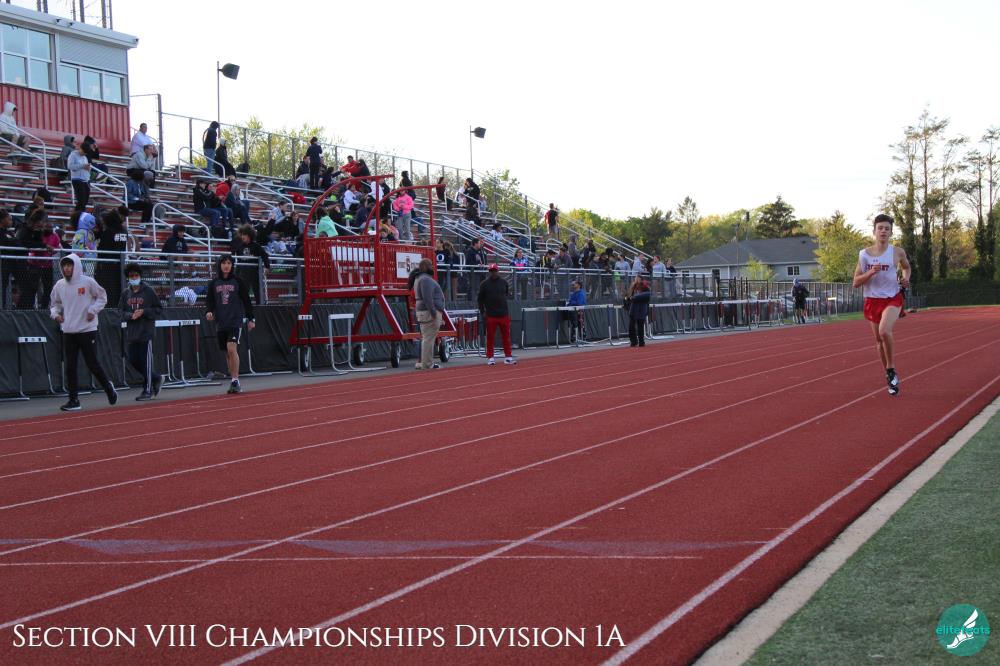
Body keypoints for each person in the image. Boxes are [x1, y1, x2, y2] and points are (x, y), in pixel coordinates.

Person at [852, 213, 911, 396]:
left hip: (892, 298)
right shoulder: (864, 255)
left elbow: (906, 267)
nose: (883, 231)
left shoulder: (897, 252)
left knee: (884, 331)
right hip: (872, 300)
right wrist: (870, 273)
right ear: (874, 231)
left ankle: (891, 368)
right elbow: (855, 282)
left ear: (891, 232)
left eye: (887, 228)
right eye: (880, 228)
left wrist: (906, 279)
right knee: (879, 340)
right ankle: (889, 374)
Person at [50, 254, 118, 411]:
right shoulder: (59, 285)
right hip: (68, 330)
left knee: (92, 363)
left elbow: (102, 297)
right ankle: (73, 400)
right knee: (70, 366)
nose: (67, 268)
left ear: (76, 266)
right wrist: (56, 315)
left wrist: (93, 310)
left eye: (70, 265)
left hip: (87, 329)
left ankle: (108, 388)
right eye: (64, 265)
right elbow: (54, 304)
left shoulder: (88, 282)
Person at [205, 254, 254, 394]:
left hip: (235, 321)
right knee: (227, 353)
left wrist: (251, 319)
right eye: (224, 263)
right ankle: (233, 380)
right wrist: (209, 312)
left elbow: (246, 300)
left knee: (232, 349)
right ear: (219, 265)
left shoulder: (238, 281)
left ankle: (235, 380)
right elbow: (210, 301)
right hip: (221, 322)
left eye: (229, 263)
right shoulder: (214, 283)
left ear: (232, 265)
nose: (226, 266)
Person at [118, 263, 163, 401]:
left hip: (145, 332)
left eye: (136, 275)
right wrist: (130, 315)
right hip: (132, 333)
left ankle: (147, 389)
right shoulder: (125, 293)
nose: (134, 278)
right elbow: (120, 311)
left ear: (140, 276)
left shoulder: (148, 291)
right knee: (133, 360)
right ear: (128, 277)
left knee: (145, 362)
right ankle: (156, 378)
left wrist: (144, 311)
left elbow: (158, 309)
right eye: (131, 276)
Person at [410, 258, 444, 370]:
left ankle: (424, 362)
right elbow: (427, 298)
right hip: (428, 312)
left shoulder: (420, 278)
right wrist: (434, 313)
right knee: (428, 339)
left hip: (424, 312)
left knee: (426, 338)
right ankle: (427, 363)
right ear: (425, 267)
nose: (432, 267)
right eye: (430, 265)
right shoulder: (425, 279)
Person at [478, 263, 515, 366]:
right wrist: (482, 311)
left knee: (506, 336)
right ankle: (490, 357)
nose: (493, 273)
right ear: (489, 272)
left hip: (503, 314)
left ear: (498, 271)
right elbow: (480, 299)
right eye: (491, 271)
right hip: (491, 315)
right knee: (490, 337)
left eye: (494, 271)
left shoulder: (504, 282)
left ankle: (508, 356)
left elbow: (506, 294)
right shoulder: (484, 284)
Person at [231, 224, 270, 305]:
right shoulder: (239, 247)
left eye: (244, 234)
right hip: (243, 274)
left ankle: (260, 308)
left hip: (255, 273)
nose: (242, 237)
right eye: (242, 234)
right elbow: (238, 261)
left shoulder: (256, 246)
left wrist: (267, 266)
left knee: (258, 293)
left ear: (249, 235)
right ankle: (243, 308)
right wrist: (236, 273)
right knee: (243, 293)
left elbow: (264, 255)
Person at [95, 208, 128, 299]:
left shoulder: (108, 232)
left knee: (107, 290)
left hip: (107, 265)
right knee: (118, 288)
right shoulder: (124, 231)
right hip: (120, 264)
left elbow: (102, 249)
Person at [626, 276, 651, 347]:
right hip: (633, 308)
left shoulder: (645, 287)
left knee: (640, 325)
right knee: (631, 326)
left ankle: (641, 341)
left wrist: (634, 298)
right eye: (635, 278)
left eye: (638, 278)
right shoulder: (633, 287)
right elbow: (628, 296)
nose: (636, 280)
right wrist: (628, 299)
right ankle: (633, 341)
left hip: (641, 308)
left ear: (641, 280)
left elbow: (647, 296)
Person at [67, 140, 91, 212]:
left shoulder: (85, 157)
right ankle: (78, 214)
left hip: (85, 180)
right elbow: (70, 166)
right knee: (81, 200)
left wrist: (88, 170)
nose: (84, 154)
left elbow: (85, 168)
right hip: (76, 179)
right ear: (80, 148)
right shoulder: (73, 155)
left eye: (85, 153)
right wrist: (82, 166)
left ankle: (78, 213)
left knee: (85, 200)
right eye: (83, 152)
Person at [0, 208, 16, 309]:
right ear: (2, 220)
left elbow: (15, 242)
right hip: (2, 264)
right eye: (9, 219)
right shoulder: (3, 234)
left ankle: (3, 307)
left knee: (4, 286)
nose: (11, 221)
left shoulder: (8, 233)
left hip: (7, 264)